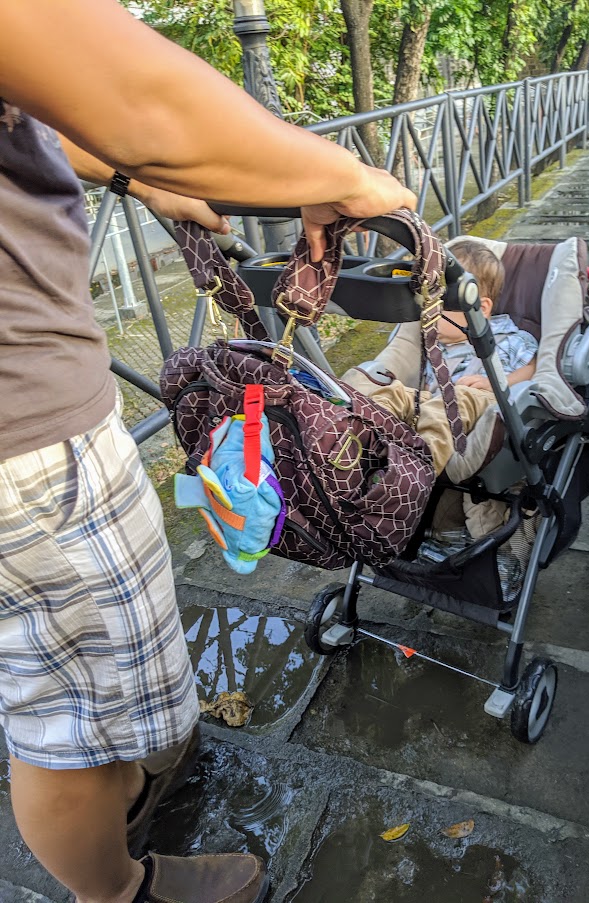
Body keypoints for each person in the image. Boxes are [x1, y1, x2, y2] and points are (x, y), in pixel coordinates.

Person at [0, 3, 416, 903]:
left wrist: (132, 178)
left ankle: (132, 787)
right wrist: (335, 172)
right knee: (66, 721)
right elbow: (136, 99)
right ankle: (120, 886)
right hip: (26, 433)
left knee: (57, 681)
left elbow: (32, 110)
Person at [351, 240, 538, 538]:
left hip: (482, 405)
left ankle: (409, 480)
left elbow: (535, 367)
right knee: (377, 384)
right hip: (432, 406)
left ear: (481, 307)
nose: (426, 313)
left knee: (456, 399)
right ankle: (339, 441)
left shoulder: (509, 336)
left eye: (438, 306)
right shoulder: (430, 342)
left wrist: (496, 384)